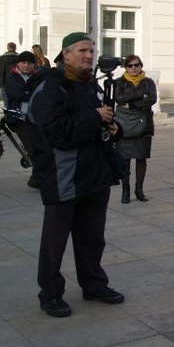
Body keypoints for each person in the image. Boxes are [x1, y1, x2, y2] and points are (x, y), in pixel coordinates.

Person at [26, 32, 126, 318]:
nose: (89, 56)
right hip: (63, 175)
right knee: (55, 241)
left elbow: (101, 119)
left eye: (92, 51)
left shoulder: (88, 86)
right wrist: (95, 117)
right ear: (65, 54)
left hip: (95, 175)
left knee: (92, 237)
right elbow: (56, 131)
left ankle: (94, 285)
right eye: (82, 50)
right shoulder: (49, 87)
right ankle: (50, 293)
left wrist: (114, 129)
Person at [113, 55, 157, 203]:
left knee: (141, 158)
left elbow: (152, 99)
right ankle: (126, 191)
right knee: (125, 160)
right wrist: (139, 96)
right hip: (124, 124)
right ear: (126, 67)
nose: (134, 68)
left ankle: (139, 190)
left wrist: (132, 103)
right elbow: (119, 98)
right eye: (130, 65)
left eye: (136, 65)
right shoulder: (120, 82)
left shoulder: (148, 82)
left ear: (141, 66)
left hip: (143, 124)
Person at [4, 51, 38, 188]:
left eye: (29, 63)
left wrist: (28, 93)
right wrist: (31, 93)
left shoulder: (37, 76)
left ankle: (38, 176)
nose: (26, 66)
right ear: (18, 63)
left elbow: (42, 92)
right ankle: (36, 179)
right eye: (23, 63)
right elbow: (17, 93)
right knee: (33, 147)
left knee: (41, 146)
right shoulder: (12, 76)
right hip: (18, 118)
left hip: (35, 117)